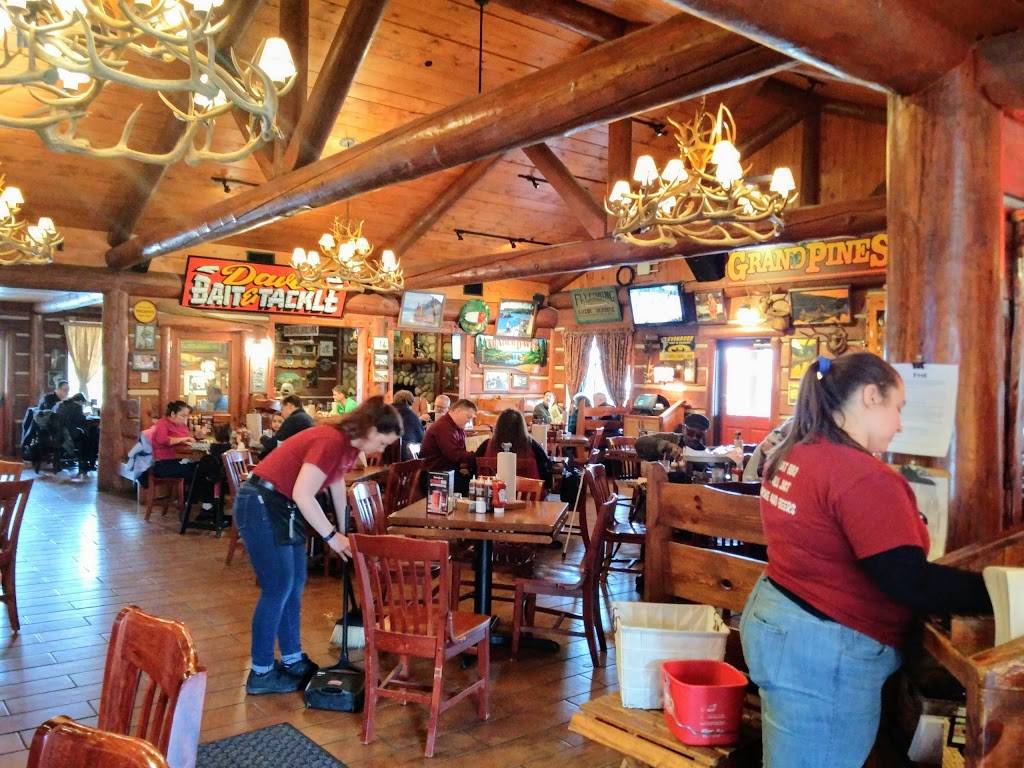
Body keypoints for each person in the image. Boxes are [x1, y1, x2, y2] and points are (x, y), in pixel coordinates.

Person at [740, 353, 990, 767]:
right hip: (824, 650)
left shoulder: (795, 452)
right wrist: (1000, 591)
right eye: (898, 407)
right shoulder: (862, 475)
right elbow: (909, 581)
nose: (900, 424)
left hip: (781, 623)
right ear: (871, 396)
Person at [236, 396, 401, 695]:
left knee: (295, 583)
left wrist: (344, 530)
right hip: (263, 503)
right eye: (382, 442)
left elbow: (335, 483)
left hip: (280, 506)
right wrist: (331, 537)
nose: (381, 450)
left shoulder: (347, 446)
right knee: (278, 587)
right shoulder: (331, 440)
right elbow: (303, 494)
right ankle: (261, 672)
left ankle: (291, 659)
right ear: (369, 428)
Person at [475, 409, 551, 488]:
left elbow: (475, 466)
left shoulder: (486, 445)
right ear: (522, 427)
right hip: (528, 493)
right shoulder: (532, 445)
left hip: (491, 492)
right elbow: (546, 469)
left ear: (498, 426)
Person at [420, 398, 477, 493]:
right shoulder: (443, 427)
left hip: (446, 472)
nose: (469, 421)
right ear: (458, 411)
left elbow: (460, 453)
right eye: (468, 417)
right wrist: (477, 456)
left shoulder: (456, 427)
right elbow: (454, 454)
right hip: (435, 477)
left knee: (475, 480)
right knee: (475, 486)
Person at [150, 400, 207, 488]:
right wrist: (185, 439)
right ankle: (190, 495)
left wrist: (197, 437)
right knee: (196, 471)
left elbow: (186, 440)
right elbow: (162, 440)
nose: (185, 419)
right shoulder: (162, 423)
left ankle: (194, 495)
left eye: (187, 416)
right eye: (183, 415)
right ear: (173, 414)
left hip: (178, 459)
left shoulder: (182, 426)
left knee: (202, 467)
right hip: (162, 464)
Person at [56, 393, 98, 476]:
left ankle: (86, 463)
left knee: (90, 436)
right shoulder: (77, 407)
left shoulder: (62, 405)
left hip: (62, 433)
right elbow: (81, 420)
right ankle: (88, 463)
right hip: (72, 434)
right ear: (80, 401)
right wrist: (85, 415)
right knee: (93, 437)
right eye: (83, 403)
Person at [393, 390, 424, 460]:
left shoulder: (386, 412)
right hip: (405, 458)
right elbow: (422, 439)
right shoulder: (411, 416)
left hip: (383, 457)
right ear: (409, 403)